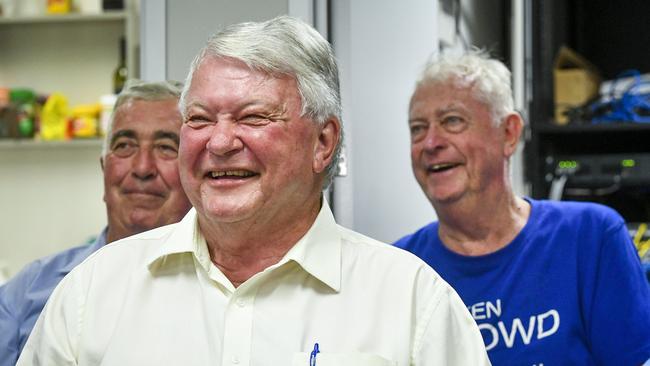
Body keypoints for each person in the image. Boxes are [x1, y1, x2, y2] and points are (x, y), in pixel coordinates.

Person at [17, 16, 490, 365]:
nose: (219, 143)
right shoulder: (94, 291)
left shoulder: (411, 304)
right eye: (199, 119)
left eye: (253, 117)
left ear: (322, 143)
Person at [394, 50, 650, 365]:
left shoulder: (591, 237)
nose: (431, 143)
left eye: (452, 121)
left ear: (509, 133)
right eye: (418, 128)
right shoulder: (399, 269)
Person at [0, 79, 192, 366]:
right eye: (125, 146)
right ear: (105, 168)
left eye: (166, 147)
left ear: (194, 171)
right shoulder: (30, 288)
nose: (142, 169)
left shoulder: (219, 286)